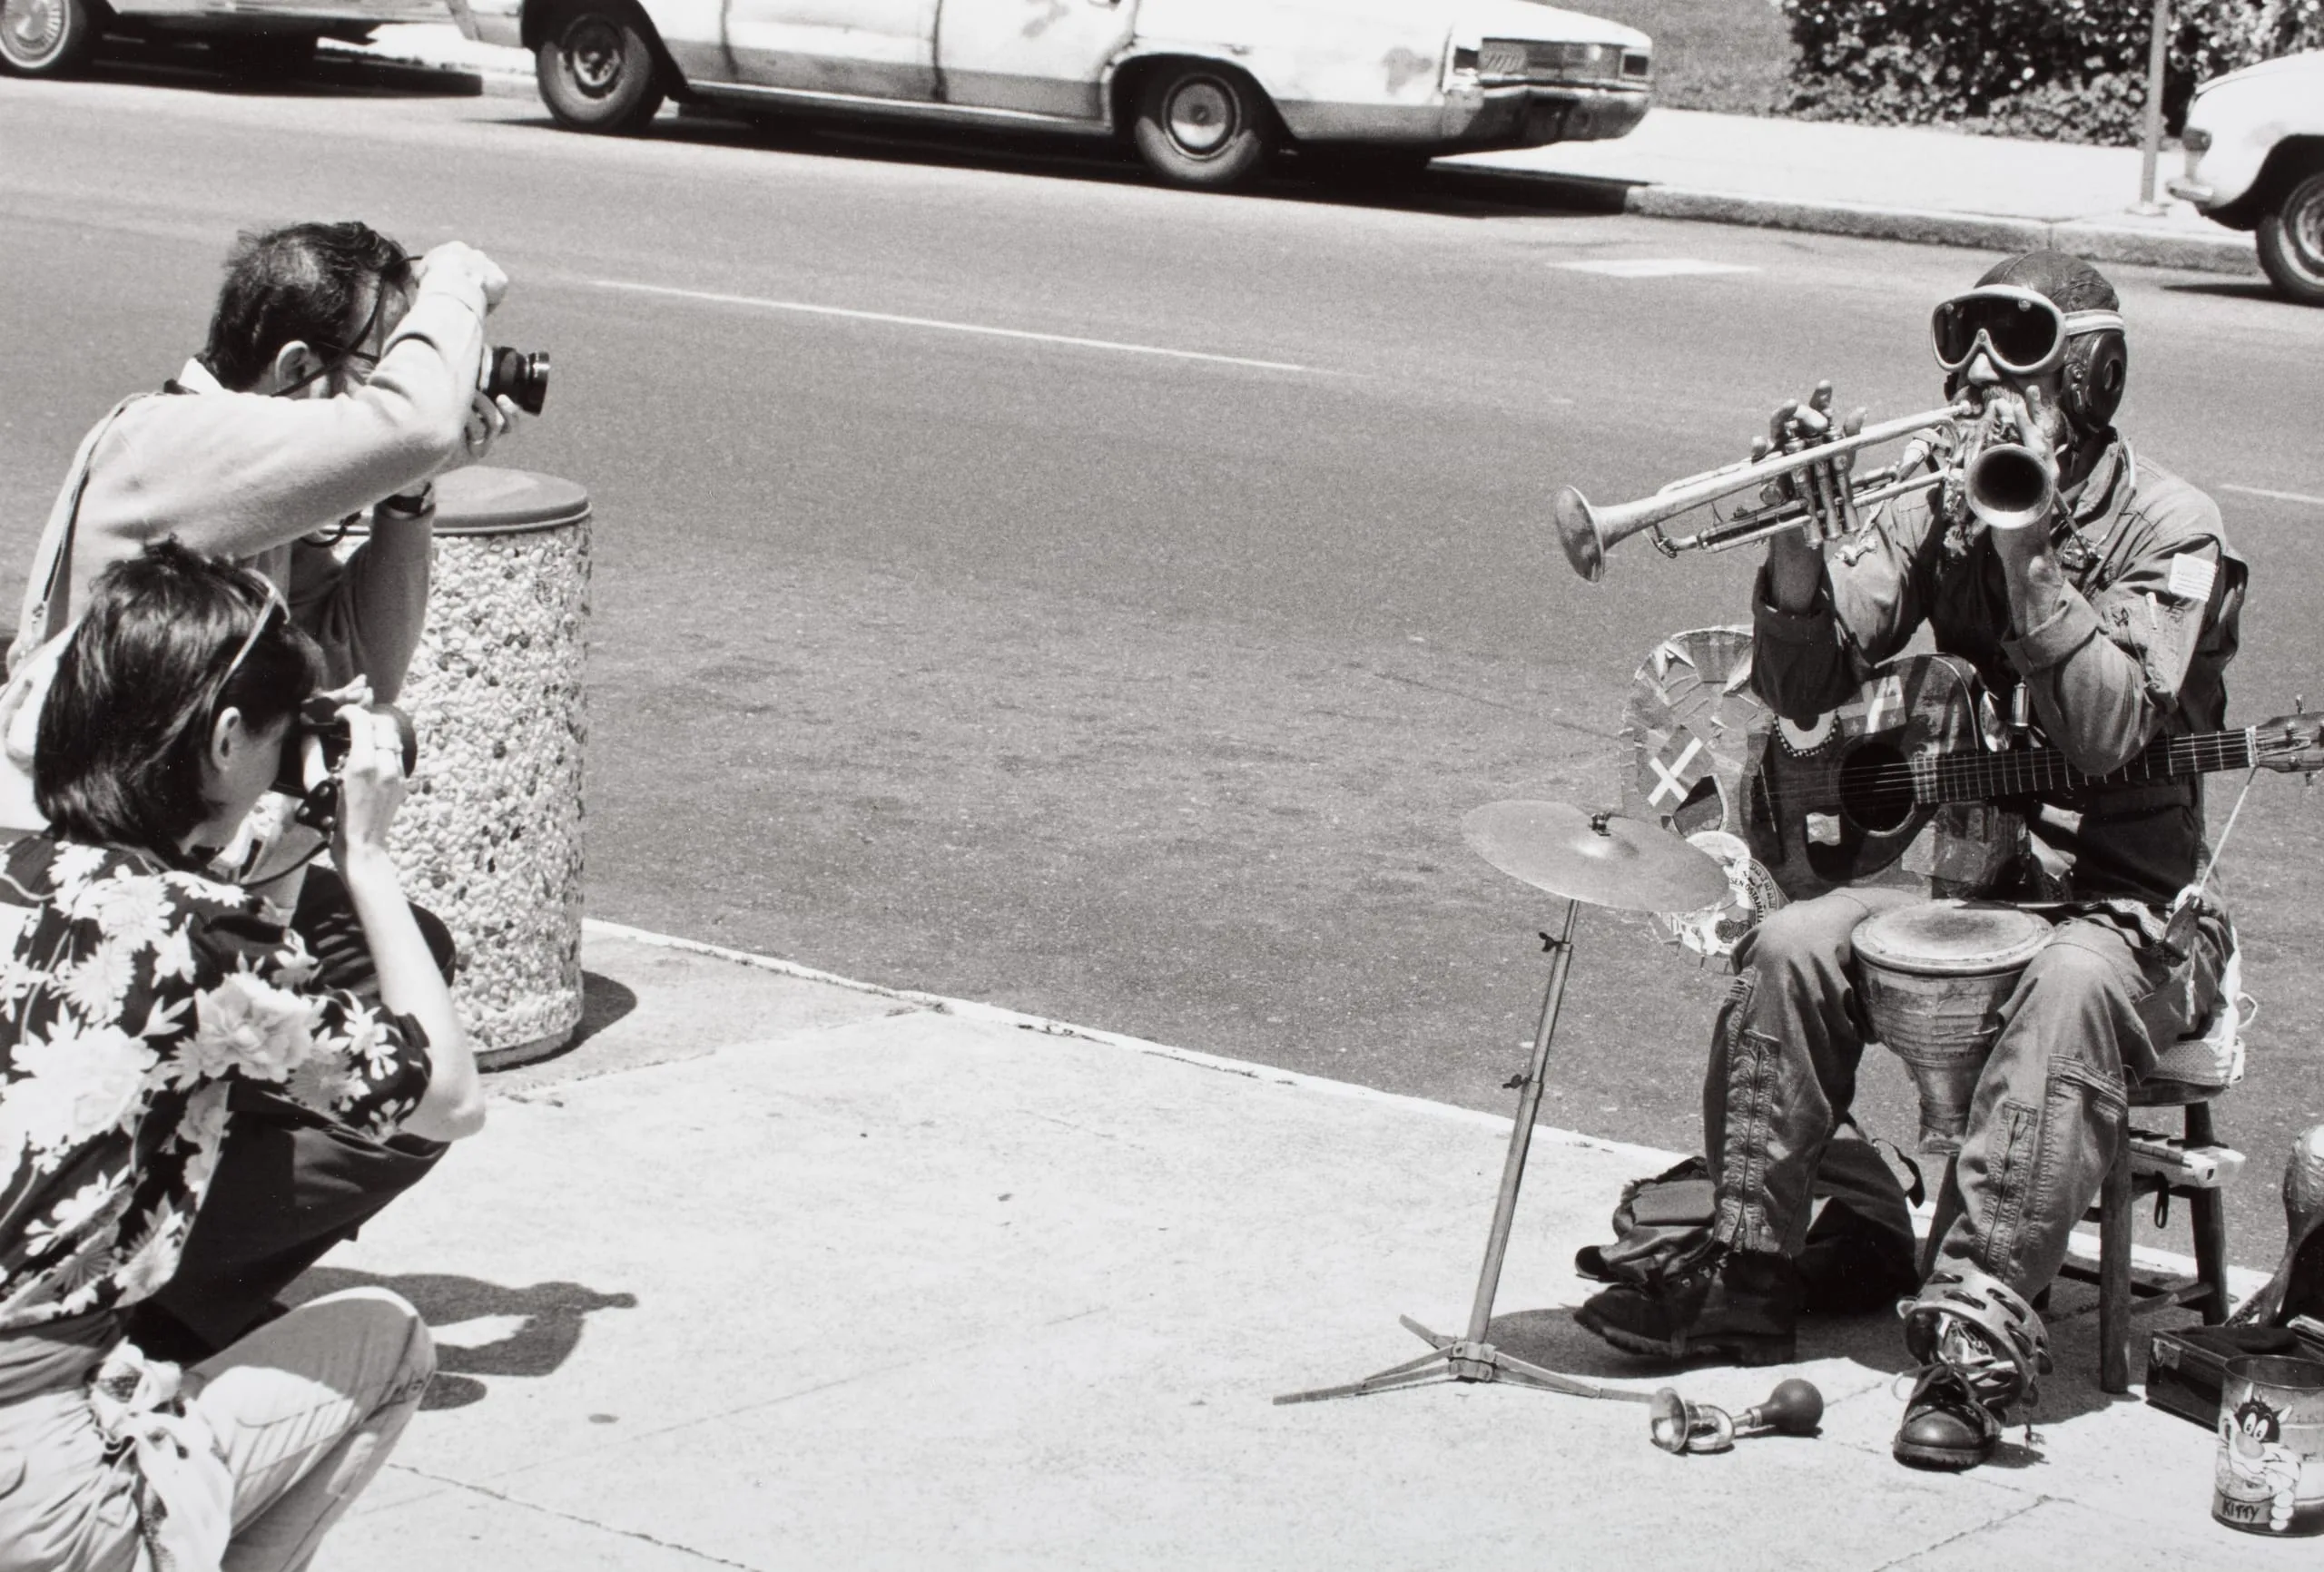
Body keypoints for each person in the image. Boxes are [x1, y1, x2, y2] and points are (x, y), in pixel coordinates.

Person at [1572, 251, 2245, 1471]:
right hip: (1976, 902)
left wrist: (2025, 553)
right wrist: (1795, 543)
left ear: (2092, 375)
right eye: (1963, 350)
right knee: (1791, 942)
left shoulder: (2172, 524)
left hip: (2133, 919)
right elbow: (1804, 690)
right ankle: (1750, 1274)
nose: (1979, 378)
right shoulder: (1940, 499)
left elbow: (2105, 732)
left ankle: (1974, 1340)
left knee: (2068, 985)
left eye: (2016, 354)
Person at [3, 220, 518, 1367]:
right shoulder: (168, 445)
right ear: (296, 367)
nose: (395, 384)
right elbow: (413, 420)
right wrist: (453, 286)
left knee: (408, 953)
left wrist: (407, 498)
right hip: (96, 896)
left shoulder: (248, 490)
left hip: (179, 873)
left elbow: (363, 659)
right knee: (403, 1080)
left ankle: (179, 1268)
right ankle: (131, 1301)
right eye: (381, 360)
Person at [0, 540, 485, 1570]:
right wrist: (364, 855)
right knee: (388, 1337)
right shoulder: (203, 937)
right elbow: (445, 1097)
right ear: (227, 740)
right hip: (31, 1493)